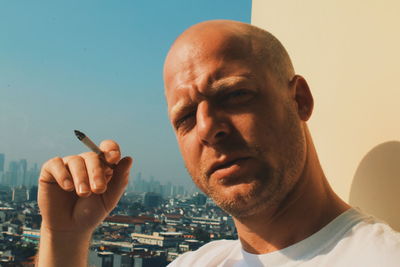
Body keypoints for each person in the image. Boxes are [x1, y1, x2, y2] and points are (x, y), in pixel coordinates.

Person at [36, 20, 400, 266]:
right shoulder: (197, 261)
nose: (208, 127)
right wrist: (64, 237)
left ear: (299, 100)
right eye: (185, 117)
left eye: (236, 95)